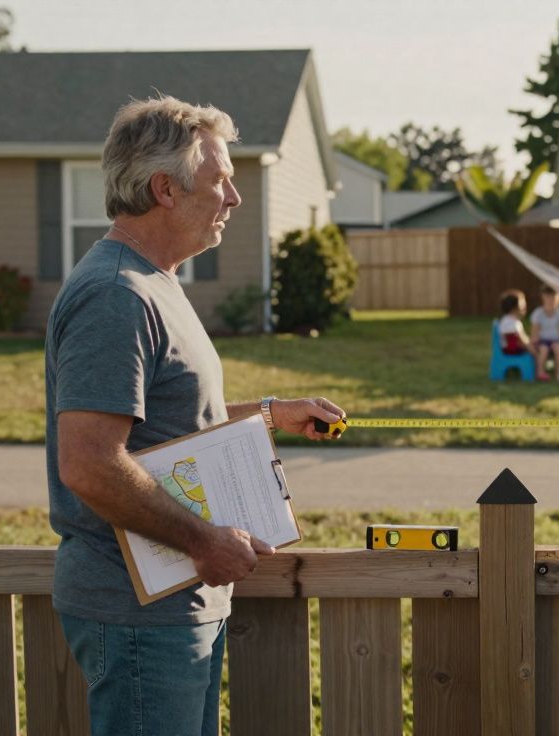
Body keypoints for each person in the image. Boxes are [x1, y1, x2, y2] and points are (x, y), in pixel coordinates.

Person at [45, 95, 345, 735]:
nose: (234, 198)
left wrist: (271, 414)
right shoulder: (115, 294)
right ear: (165, 189)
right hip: (138, 616)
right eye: (220, 180)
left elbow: (164, 421)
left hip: (172, 606)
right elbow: (90, 463)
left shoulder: (154, 281)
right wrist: (205, 542)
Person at [499, 288, 545, 374]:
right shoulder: (512, 323)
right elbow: (519, 340)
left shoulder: (507, 320)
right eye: (523, 305)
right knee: (538, 351)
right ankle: (539, 371)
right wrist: (532, 348)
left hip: (509, 348)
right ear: (514, 308)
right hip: (512, 350)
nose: (525, 307)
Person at [530, 284, 559, 381]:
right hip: (542, 341)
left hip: (556, 340)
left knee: (558, 349)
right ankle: (540, 372)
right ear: (543, 297)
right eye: (548, 297)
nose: (551, 300)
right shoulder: (538, 313)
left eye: (554, 298)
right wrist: (533, 342)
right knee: (544, 349)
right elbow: (535, 330)